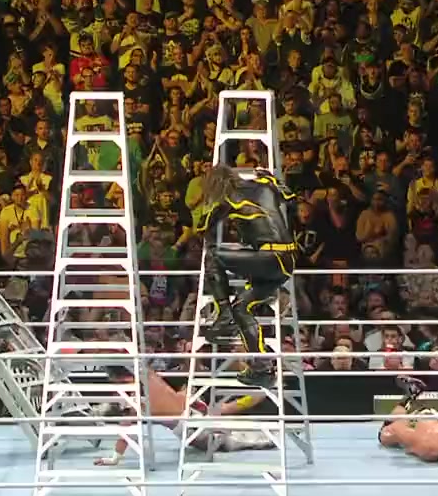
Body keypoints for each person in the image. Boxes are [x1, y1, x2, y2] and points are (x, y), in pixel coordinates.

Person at [194, 165, 299, 386]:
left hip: (270, 257)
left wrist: (210, 206)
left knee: (213, 256)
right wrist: (271, 178)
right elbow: (291, 197)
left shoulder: (227, 198)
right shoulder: (266, 184)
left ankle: (224, 314)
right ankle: (262, 368)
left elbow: (201, 227)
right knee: (241, 308)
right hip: (287, 260)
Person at [93, 364, 271, 466]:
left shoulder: (135, 399)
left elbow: (126, 431)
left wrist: (114, 458)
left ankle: (266, 396)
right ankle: (265, 391)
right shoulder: (149, 374)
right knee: (229, 420)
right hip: (193, 409)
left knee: (236, 440)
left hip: (192, 427)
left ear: (121, 380)